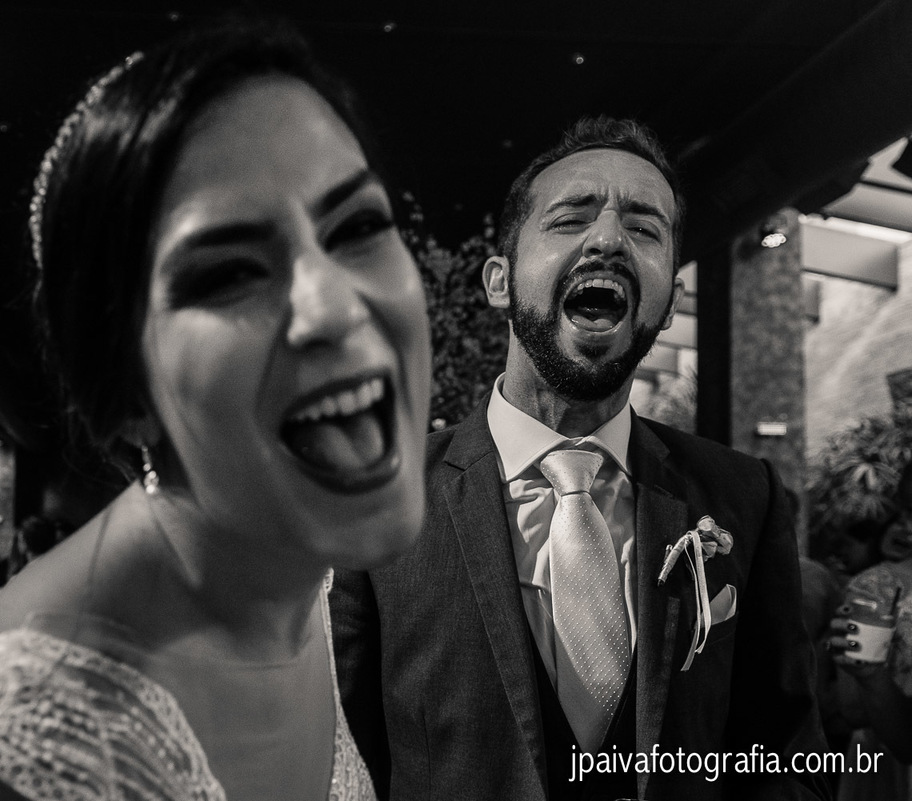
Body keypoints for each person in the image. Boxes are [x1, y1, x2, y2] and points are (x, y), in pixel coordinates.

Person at [0, 18, 430, 801]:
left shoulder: (294, 563)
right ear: (122, 392)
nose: (335, 305)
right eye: (228, 273)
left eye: (358, 226)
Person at [331, 116, 829, 801]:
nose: (608, 240)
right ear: (500, 281)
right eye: (570, 220)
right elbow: (335, 762)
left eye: (645, 229)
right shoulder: (382, 494)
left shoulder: (741, 496)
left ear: (670, 299)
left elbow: (786, 757)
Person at [829, 466, 912, 800]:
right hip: (885, 759)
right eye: (905, 512)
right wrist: (871, 675)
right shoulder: (874, 587)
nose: (906, 526)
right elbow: (852, 708)